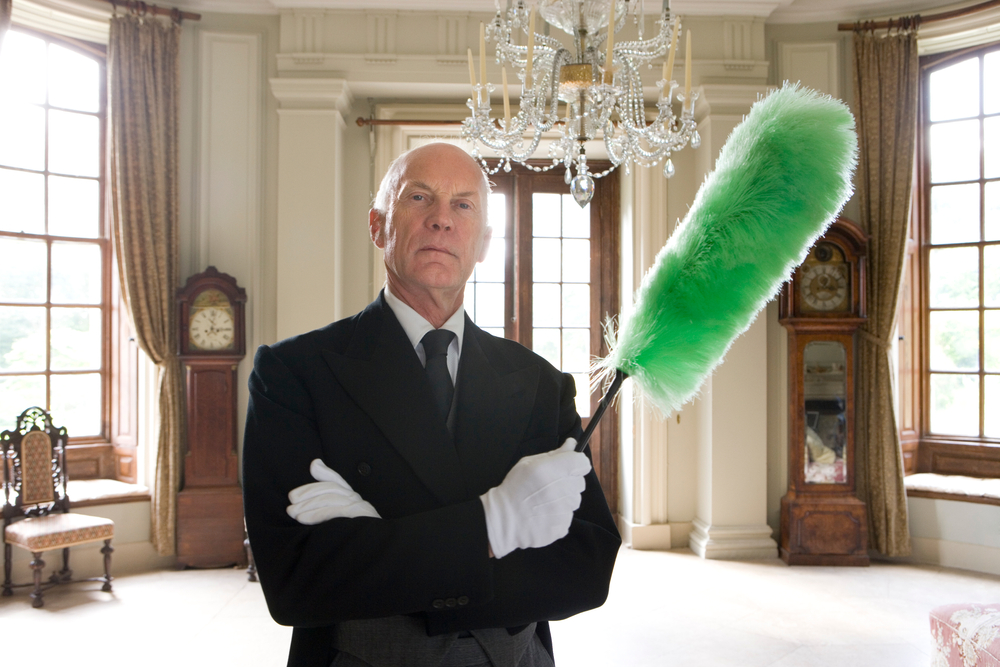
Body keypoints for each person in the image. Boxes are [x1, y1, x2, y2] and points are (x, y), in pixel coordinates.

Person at [242, 142, 621, 667]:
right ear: (378, 226)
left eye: (463, 204)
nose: (442, 219)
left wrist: (378, 548)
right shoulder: (294, 373)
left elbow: (586, 567)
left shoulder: (539, 381)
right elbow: (297, 581)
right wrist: (496, 525)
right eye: (419, 197)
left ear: (484, 242)